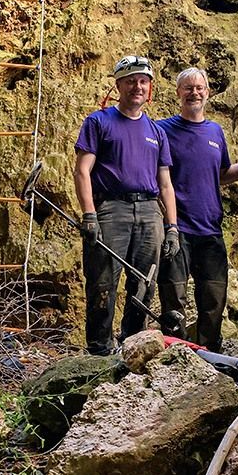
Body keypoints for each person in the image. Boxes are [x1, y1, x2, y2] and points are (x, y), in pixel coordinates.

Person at [74, 54, 179, 355]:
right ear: (118, 85)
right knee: (103, 282)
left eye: (143, 81)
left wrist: (172, 226)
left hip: (149, 212)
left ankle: (132, 346)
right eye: (131, 80)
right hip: (111, 209)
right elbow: (82, 170)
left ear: (150, 88)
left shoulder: (157, 132)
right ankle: (99, 350)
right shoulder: (99, 122)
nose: (138, 86)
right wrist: (89, 215)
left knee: (145, 284)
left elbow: (165, 184)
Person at [156, 67, 238, 350]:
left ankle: (210, 354)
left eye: (199, 88)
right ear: (178, 93)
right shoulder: (162, 130)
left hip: (210, 228)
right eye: (188, 88)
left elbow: (221, 174)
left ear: (208, 92)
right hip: (177, 228)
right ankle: (173, 355)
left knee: (213, 298)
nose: (194, 92)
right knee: (173, 297)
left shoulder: (215, 132)